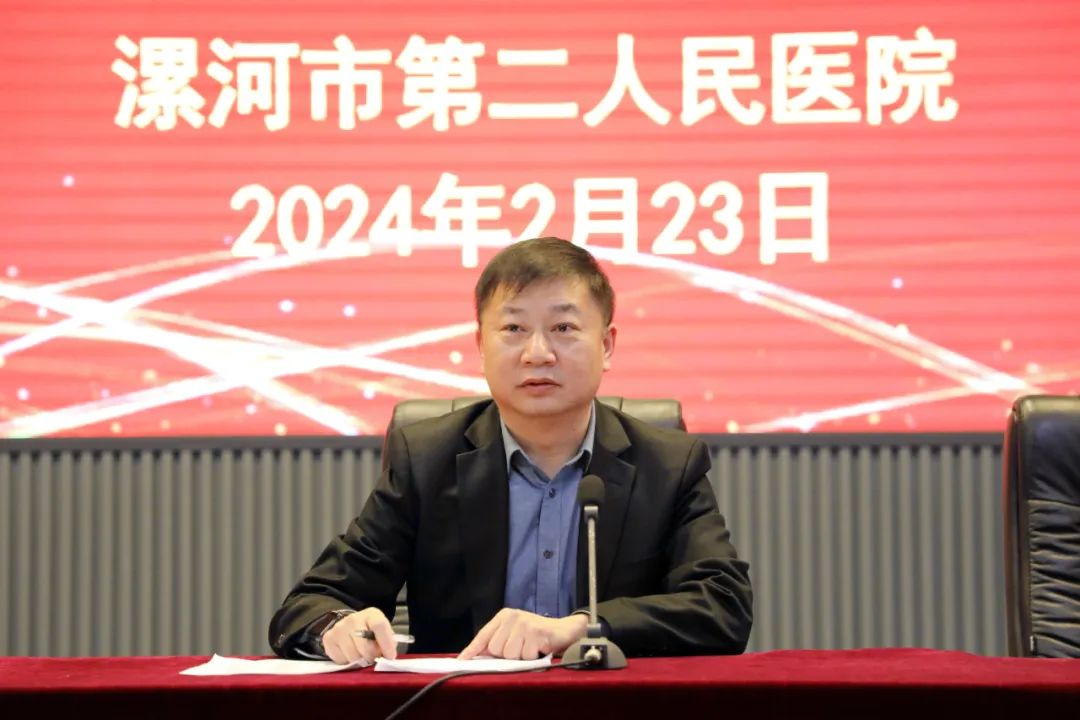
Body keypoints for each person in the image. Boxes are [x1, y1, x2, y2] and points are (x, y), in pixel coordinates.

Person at [269, 237, 752, 664]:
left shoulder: (666, 464)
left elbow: (723, 606)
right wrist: (337, 628)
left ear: (606, 345)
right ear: (481, 345)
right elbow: (309, 605)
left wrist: (581, 627)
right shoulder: (427, 460)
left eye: (563, 328)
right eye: (514, 329)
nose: (537, 353)